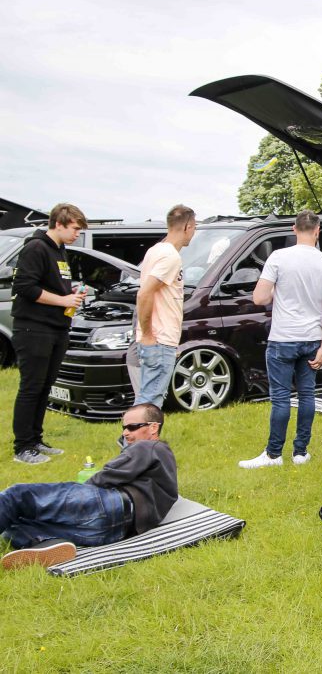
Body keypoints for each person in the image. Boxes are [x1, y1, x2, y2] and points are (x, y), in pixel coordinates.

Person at [1, 404, 178, 569]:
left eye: (132, 427)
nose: (125, 433)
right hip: (115, 530)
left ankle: (36, 540)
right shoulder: (163, 462)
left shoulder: (149, 446)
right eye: (124, 427)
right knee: (16, 523)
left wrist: (79, 490)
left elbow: (109, 474)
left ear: (154, 428)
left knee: (16, 496)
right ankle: (46, 544)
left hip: (112, 505)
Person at [239, 210, 322, 469]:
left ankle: (274, 454)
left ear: (294, 229)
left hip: (283, 338)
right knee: (307, 395)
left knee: (281, 397)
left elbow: (259, 298)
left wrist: (277, 287)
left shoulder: (278, 258)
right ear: (317, 231)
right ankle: (300, 452)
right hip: (312, 339)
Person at [10, 203, 89, 465]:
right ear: (59, 223)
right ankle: (22, 447)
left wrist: (73, 293)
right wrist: (63, 300)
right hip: (34, 329)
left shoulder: (60, 250)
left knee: (45, 387)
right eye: (75, 228)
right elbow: (25, 287)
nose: (78, 233)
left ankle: (36, 440)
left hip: (57, 328)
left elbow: (55, 286)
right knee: (31, 387)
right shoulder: (36, 248)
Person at [134, 205, 196, 406]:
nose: (193, 233)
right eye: (194, 227)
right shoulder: (170, 256)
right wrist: (149, 335)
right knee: (151, 401)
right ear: (187, 226)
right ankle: (134, 438)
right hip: (157, 339)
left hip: (162, 339)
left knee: (147, 397)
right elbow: (145, 293)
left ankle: (132, 437)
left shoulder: (156, 250)